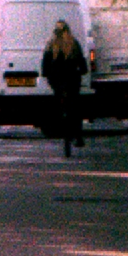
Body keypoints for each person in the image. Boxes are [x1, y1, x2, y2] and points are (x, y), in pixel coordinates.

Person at [40, 20, 88, 157]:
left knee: (58, 101)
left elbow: (45, 65)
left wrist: (46, 74)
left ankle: (60, 122)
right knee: (75, 106)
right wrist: (81, 70)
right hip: (72, 79)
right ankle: (78, 136)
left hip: (57, 80)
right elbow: (82, 63)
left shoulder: (51, 44)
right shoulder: (73, 43)